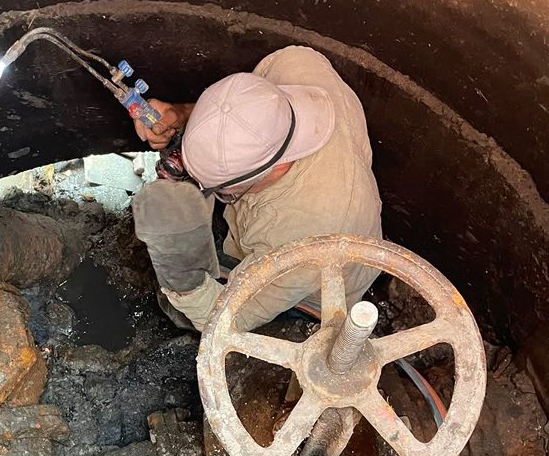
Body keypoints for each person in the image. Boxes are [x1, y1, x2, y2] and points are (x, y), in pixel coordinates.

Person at [130, 46, 382, 332]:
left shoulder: (308, 237)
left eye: (224, 191)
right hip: (285, 232)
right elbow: (236, 118)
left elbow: (225, 318)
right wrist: (182, 115)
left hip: (312, 291)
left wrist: (181, 279)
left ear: (277, 168)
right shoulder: (295, 64)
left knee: (180, 308)